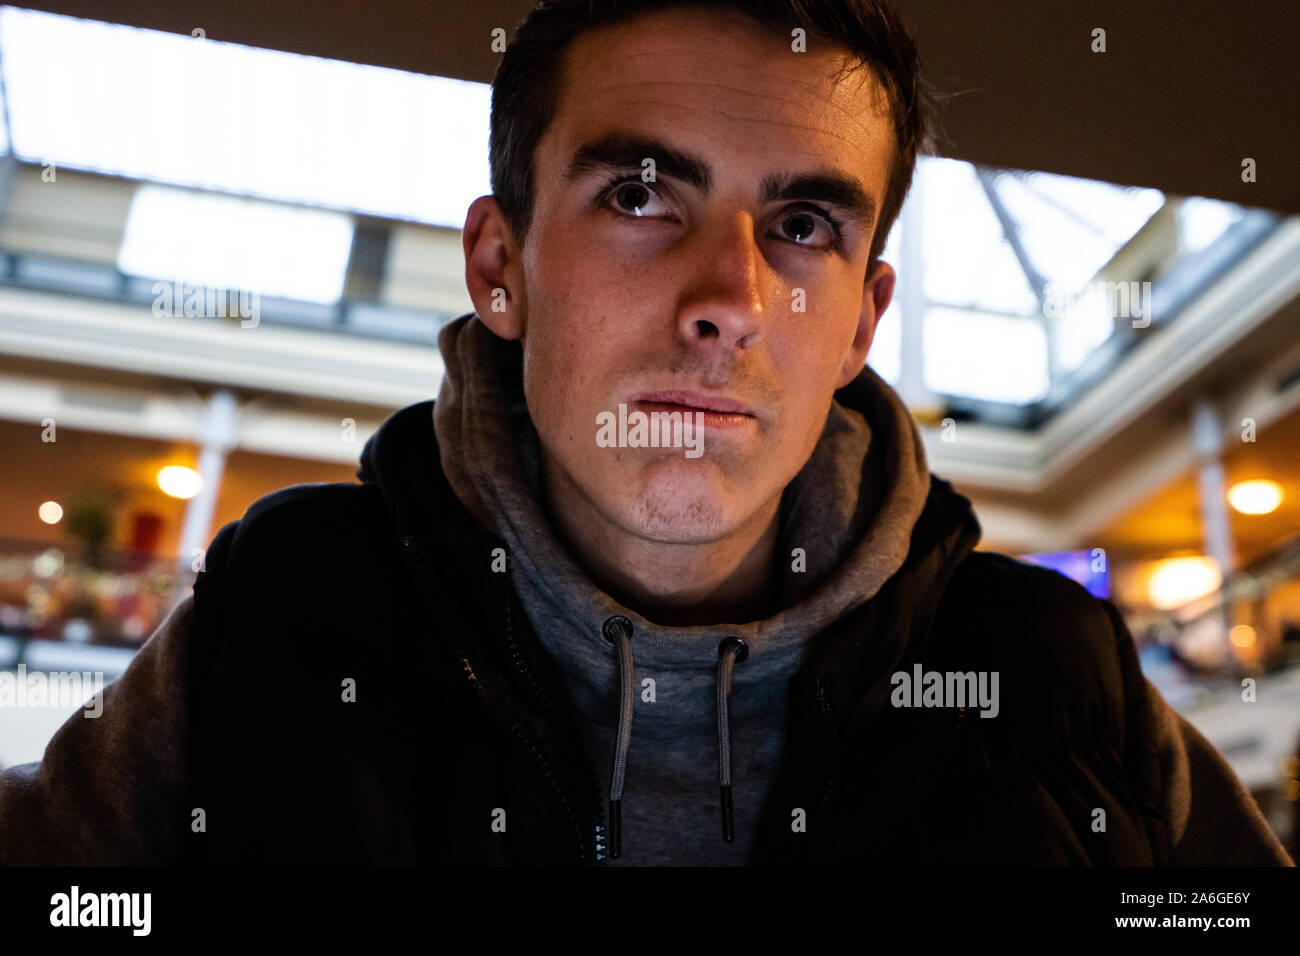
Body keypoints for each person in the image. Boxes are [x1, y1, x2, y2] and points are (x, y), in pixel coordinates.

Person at [0, 0, 1291, 866]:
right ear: (500, 264)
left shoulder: (1052, 667)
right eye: (638, 193)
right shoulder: (284, 607)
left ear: (856, 325)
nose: (727, 302)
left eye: (801, 228)